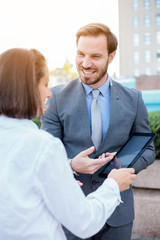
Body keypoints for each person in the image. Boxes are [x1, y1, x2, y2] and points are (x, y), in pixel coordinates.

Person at [0, 48, 137, 240]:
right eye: (45, 84)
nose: (49, 93)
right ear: (27, 88)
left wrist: (67, 166)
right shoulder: (43, 146)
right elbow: (84, 222)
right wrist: (113, 185)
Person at [41, 23, 156, 240]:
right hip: (70, 211)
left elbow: (148, 148)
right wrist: (71, 164)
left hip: (117, 213)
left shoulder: (134, 99)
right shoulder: (55, 98)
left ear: (111, 57)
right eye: (81, 54)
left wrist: (125, 168)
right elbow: (43, 155)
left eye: (95, 56)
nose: (85, 63)